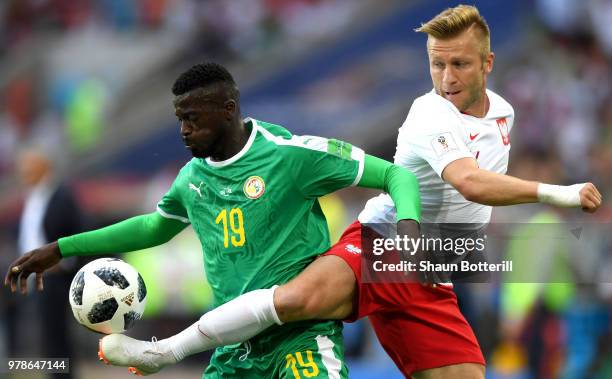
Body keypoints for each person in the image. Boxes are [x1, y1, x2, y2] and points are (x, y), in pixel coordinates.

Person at [81, 5, 604, 379]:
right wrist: (557, 192)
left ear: (488, 64)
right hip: (385, 241)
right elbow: (467, 181)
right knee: (298, 299)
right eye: (436, 64)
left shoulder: (505, 114)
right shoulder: (428, 113)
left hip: (434, 265)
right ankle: (164, 353)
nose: (445, 77)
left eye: (459, 65)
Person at [4, 62, 422, 378]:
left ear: (228, 110)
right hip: (230, 348)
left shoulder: (290, 155)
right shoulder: (191, 179)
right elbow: (153, 227)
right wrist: (62, 247)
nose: (184, 130)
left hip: (300, 337)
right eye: (179, 119)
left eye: (193, 118)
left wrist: (408, 225)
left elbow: (394, 174)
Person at [10, 146, 85, 379]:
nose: (23, 174)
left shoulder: (61, 195)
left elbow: (77, 233)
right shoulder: (35, 196)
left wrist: (64, 264)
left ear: (44, 167)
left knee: (57, 334)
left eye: (28, 168)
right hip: (35, 276)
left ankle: (63, 376)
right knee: (45, 333)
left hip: (56, 278)